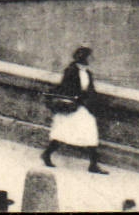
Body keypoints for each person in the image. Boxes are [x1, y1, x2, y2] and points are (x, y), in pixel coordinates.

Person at [41, 46, 107, 174]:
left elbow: (90, 90)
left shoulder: (87, 73)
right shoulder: (71, 70)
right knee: (62, 133)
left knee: (90, 133)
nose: (91, 59)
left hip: (82, 107)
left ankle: (93, 164)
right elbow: (66, 88)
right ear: (83, 57)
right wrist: (79, 97)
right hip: (71, 107)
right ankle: (47, 154)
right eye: (89, 56)